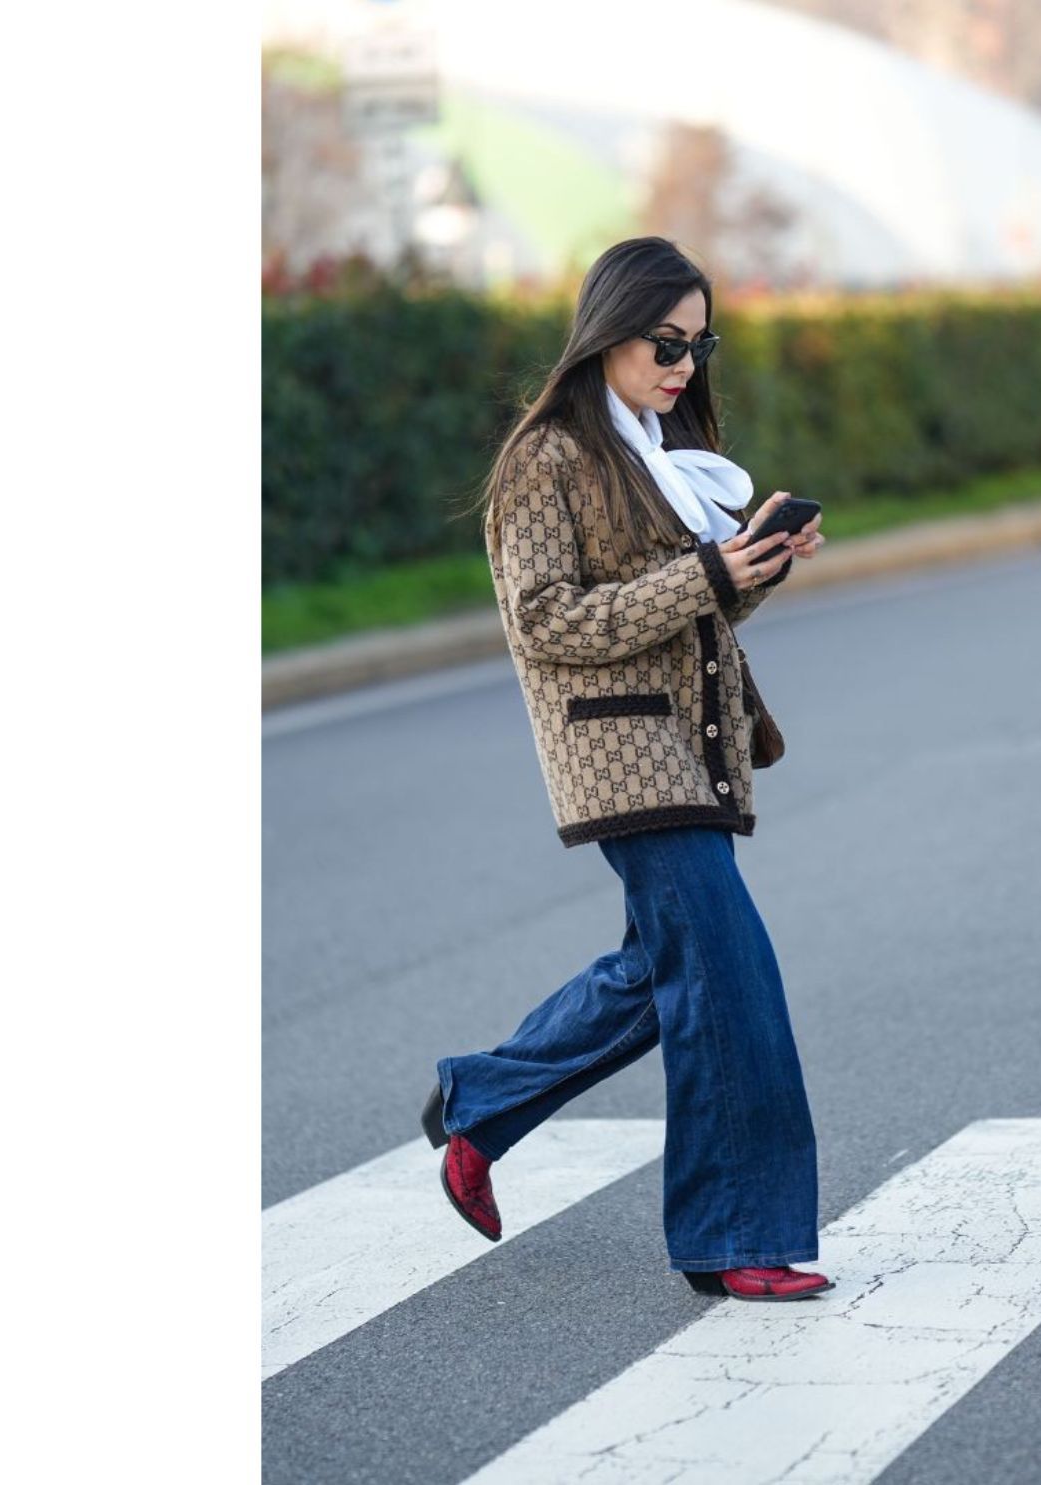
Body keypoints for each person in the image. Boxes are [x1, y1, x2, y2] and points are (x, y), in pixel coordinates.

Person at [418, 236, 836, 1302]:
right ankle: (735, 1232)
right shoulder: (546, 462)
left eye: (700, 345)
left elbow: (690, 608)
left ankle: (482, 1103)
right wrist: (706, 572)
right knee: (731, 985)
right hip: (619, 757)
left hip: (687, 748)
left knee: (666, 971)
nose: (684, 364)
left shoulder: (655, 454)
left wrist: (752, 568)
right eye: (665, 341)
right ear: (610, 328)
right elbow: (546, 621)